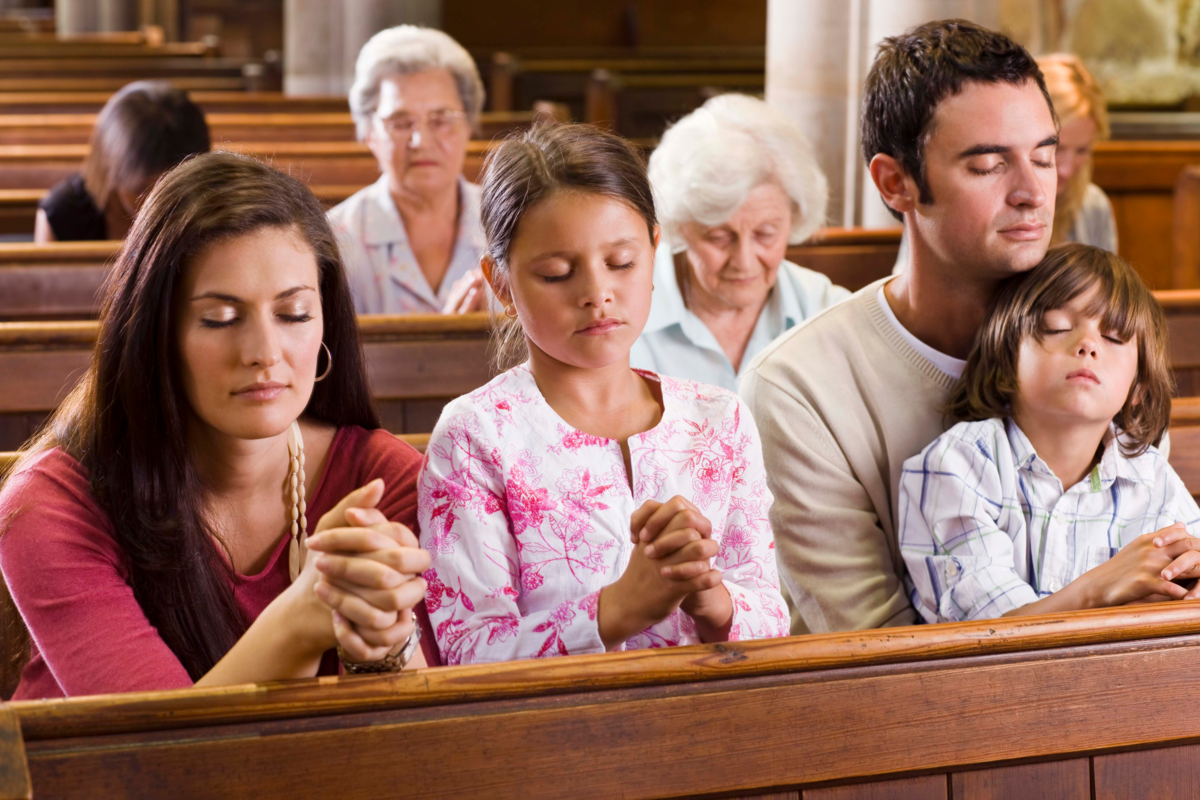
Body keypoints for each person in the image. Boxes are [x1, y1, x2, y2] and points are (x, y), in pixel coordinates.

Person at [0, 152, 434, 700]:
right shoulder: (50, 505)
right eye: (220, 319)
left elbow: (417, 743)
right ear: (155, 335)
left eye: (294, 313)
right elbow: (156, 758)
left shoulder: (385, 480)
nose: (265, 353)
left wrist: (383, 647)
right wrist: (302, 619)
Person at [418, 124, 788, 665]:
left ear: (655, 250)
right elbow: (469, 651)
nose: (597, 293)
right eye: (556, 273)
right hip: (555, 739)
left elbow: (773, 618)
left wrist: (712, 598)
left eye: (621, 263)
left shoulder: (719, 419)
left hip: (713, 725)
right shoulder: (476, 436)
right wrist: (619, 609)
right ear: (501, 282)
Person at [740, 20, 1060, 635]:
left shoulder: (1089, 338)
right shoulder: (797, 389)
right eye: (990, 165)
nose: (1032, 193)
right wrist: (1095, 597)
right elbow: (883, 657)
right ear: (897, 183)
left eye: (1043, 157)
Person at [900, 244, 1200, 622]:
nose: (1088, 345)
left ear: (1137, 386)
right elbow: (980, 642)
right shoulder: (957, 467)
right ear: (1007, 354)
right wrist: (1099, 588)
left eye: (1114, 338)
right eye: (1057, 326)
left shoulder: (1152, 478)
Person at [630, 94, 849, 391]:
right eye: (719, 237)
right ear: (680, 225)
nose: (744, 261)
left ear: (794, 217)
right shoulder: (624, 314)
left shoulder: (828, 312)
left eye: (765, 234)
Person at [892, 53, 1117, 270]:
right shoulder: (950, 206)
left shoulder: (1093, 205)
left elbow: (1106, 300)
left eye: (1082, 151)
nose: (1066, 169)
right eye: (1052, 152)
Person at [329, 25, 489, 315]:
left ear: (468, 126)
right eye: (400, 123)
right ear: (369, 134)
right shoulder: (336, 242)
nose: (420, 141)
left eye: (441, 119)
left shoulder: (510, 224)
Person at [34, 80, 210, 243]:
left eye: (174, 191)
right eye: (142, 190)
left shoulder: (211, 208)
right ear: (112, 167)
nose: (158, 203)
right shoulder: (62, 214)